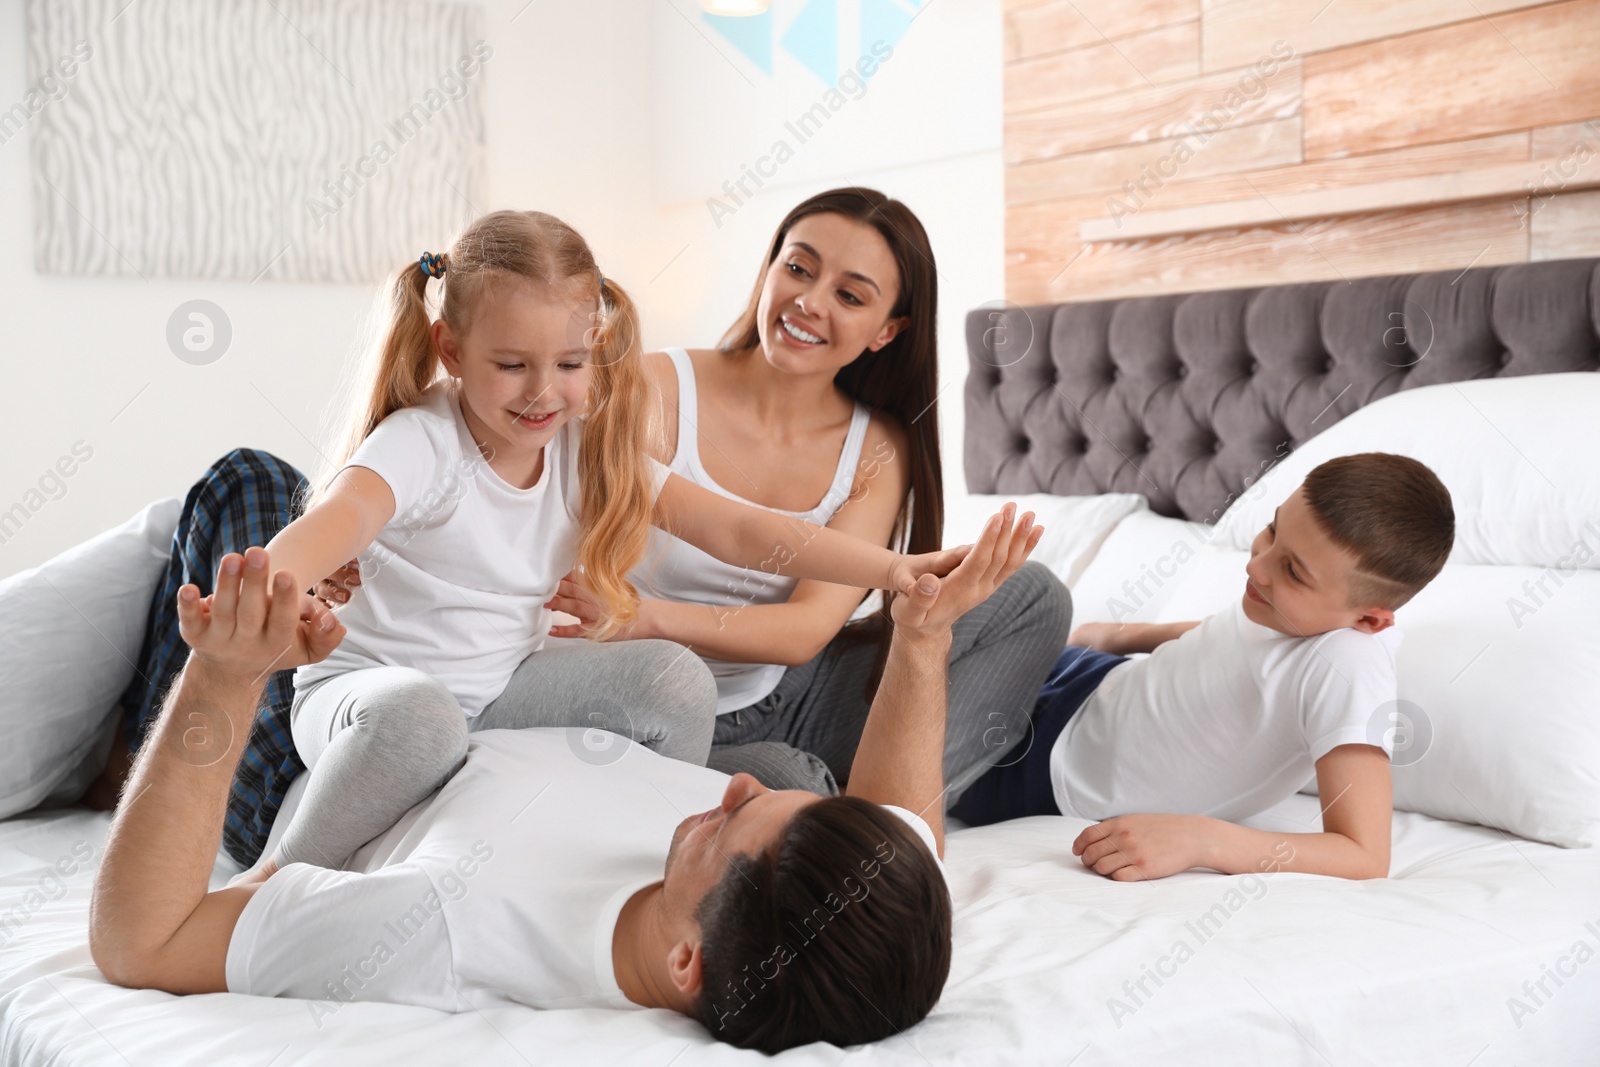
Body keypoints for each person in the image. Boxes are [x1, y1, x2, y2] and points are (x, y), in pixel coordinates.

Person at [88, 503, 1043, 1053]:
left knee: (251, 486)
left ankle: (117, 725)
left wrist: (225, 673)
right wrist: (920, 639)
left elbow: (145, 940)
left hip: (359, 760)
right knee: (686, 692)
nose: (733, 791)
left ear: (687, 964)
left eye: (730, 828)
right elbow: (900, 827)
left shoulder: (444, 931)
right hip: (497, 706)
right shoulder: (821, 897)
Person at [226, 208, 974, 875]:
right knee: (424, 719)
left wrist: (897, 569)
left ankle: (653, 866)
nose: (542, 392)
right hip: (371, 700)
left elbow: (742, 530)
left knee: (677, 680)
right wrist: (275, 583)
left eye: (571, 365)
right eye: (512, 365)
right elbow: (343, 515)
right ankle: (272, 883)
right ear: (450, 349)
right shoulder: (424, 437)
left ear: (597, 351)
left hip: (499, 692)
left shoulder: (583, 447)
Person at [333, 188, 1074, 803]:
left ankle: (874, 806)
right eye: (798, 268)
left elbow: (806, 628)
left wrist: (901, 571)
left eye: (850, 295)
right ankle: (811, 803)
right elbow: (470, 455)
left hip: (788, 687)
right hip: (652, 690)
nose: (811, 302)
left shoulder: (879, 444)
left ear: (889, 331)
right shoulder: (647, 388)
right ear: (768, 269)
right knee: (788, 783)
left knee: (1034, 594)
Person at [950, 454, 1455, 882]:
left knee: (986, 615)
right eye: (1273, 530)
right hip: (1087, 680)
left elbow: (1365, 854)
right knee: (1003, 601)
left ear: (1369, 618)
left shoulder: (1349, 666)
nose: (1256, 566)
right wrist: (1117, 635)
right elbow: (1227, 638)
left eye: (1292, 571)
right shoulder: (1292, 611)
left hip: (1038, 768)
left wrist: (1203, 842)